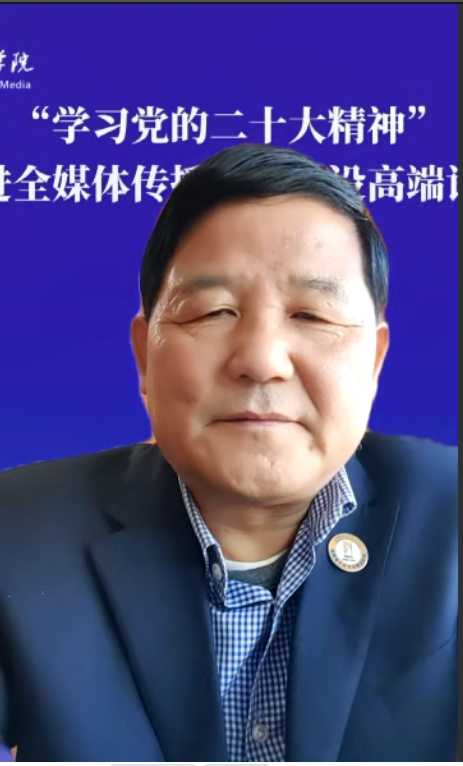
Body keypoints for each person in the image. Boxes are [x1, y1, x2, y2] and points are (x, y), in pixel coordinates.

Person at [0, 145, 457, 763]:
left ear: (374, 361)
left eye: (311, 314)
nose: (262, 360)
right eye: (214, 312)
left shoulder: (451, 526)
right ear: (144, 355)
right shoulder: (16, 534)